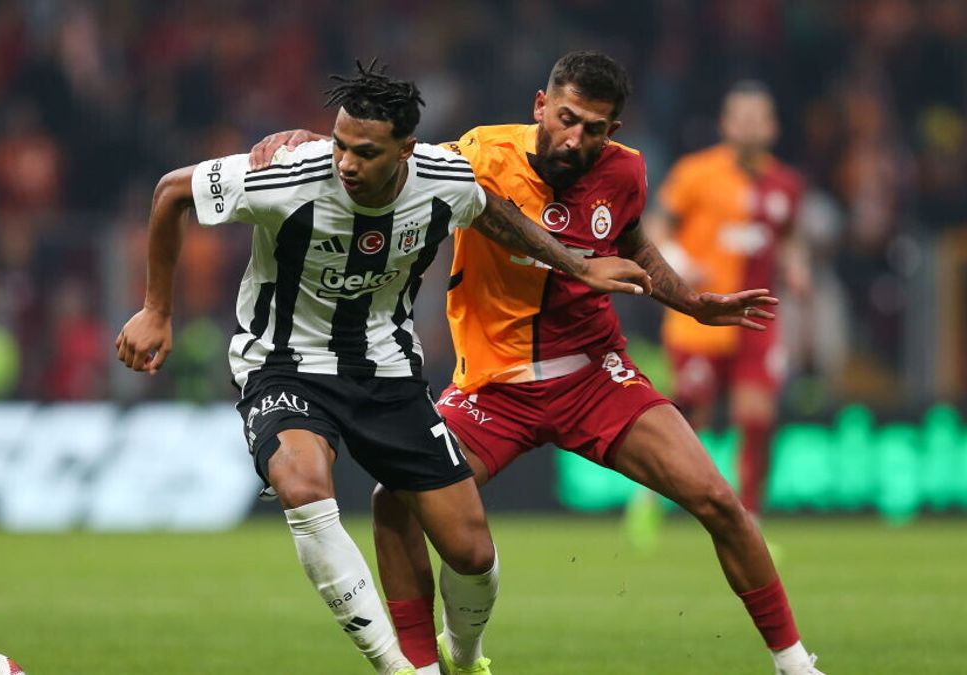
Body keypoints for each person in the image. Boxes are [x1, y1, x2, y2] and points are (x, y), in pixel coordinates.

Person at [251, 52, 825, 675]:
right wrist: (314, 144)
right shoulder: (480, 153)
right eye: (567, 118)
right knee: (394, 501)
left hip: (594, 376)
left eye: (595, 129)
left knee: (717, 499)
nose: (576, 138)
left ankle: (796, 665)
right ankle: (436, 662)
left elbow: (631, 242)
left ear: (615, 133)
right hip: (493, 388)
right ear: (540, 106)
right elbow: (392, 157)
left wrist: (691, 302)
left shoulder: (626, 172)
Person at [116, 61, 650, 675]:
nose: (345, 163)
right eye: (340, 145)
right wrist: (157, 309)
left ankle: (464, 656)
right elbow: (171, 192)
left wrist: (579, 268)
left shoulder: (443, 179)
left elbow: (497, 215)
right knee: (302, 484)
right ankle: (401, 669)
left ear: (406, 151)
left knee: (470, 551)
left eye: (364, 153)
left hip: (388, 372)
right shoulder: (284, 176)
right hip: (284, 365)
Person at [646, 80, 809, 519]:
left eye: (758, 116)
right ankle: (649, 496)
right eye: (741, 115)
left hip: (757, 317)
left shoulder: (786, 184)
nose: (750, 124)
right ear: (725, 123)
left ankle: (749, 516)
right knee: (689, 420)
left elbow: (790, 238)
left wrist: (797, 267)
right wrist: (679, 262)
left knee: (756, 418)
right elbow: (657, 227)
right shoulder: (695, 173)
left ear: (772, 127)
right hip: (700, 314)